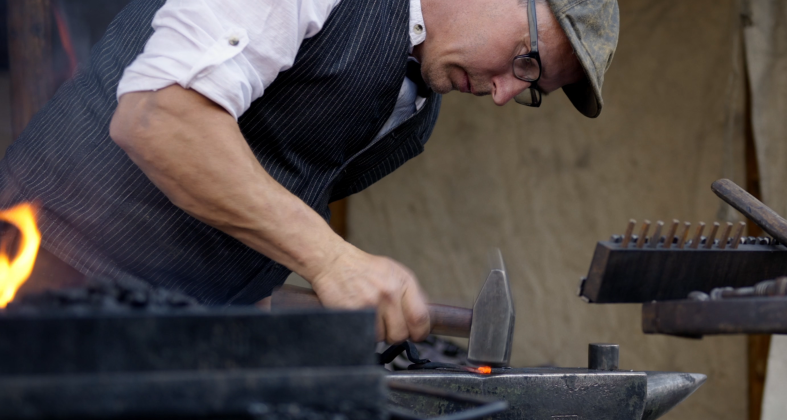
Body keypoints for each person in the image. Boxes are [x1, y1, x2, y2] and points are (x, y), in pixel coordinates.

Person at [0, 0, 619, 344]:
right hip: (41, 293)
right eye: (526, 62)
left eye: (531, 88)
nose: (507, 94)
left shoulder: (415, 107)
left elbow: (258, 212)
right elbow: (160, 115)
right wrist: (332, 260)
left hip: (172, 339)